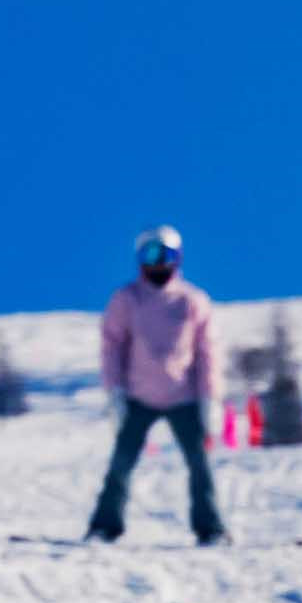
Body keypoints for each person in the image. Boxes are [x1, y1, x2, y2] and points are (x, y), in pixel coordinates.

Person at [87, 227, 224, 545]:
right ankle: (104, 527)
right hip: (138, 396)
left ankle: (211, 528)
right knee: (121, 462)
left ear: (178, 259)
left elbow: (207, 352)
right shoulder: (127, 299)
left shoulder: (192, 301)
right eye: (150, 255)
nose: (158, 263)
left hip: (184, 397)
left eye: (166, 256)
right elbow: (111, 346)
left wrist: (209, 398)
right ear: (139, 260)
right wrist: (114, 392)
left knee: (200, 464)